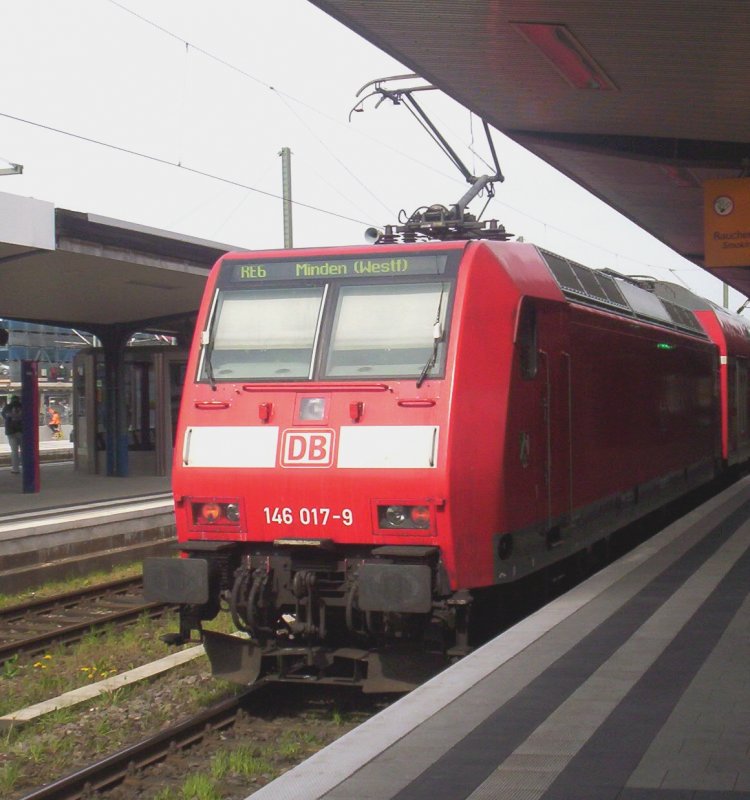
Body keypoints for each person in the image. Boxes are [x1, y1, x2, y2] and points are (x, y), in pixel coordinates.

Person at [2, 395, 23, 474]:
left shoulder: (7, 407)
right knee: (24, 451)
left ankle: (15, 469)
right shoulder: (23, 406)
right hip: (22, 431)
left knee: (14, 451)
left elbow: (4, 416)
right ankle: (26, 468)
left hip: (11, 432)